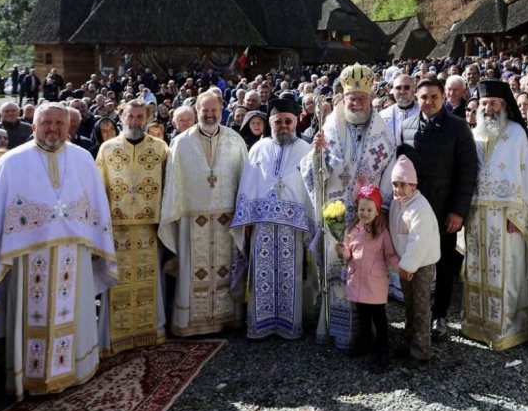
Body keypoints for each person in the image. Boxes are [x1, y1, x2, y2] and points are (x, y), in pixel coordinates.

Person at [0, 102, 118, 397]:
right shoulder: (12, 162)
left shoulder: (83, 159)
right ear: (34, 125)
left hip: (75, 255)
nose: (53, 128)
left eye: (60, 123)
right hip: (28, 259)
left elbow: (97, 205)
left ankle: (77, 369)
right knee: (33, 318)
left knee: (75, 311)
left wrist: (99, 242)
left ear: (70, 127)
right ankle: (30, 378)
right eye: (47, 123)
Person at [303, 63, 397, 349]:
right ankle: (337, 332)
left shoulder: (384, 135)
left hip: (366, 218)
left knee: (365, 273)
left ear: (371, 100)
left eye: (362, 98)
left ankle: (365, 335)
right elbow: (313, 173)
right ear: (343, 98)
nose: (356, 103)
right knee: (337, 274)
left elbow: (389, 175)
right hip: (337, 215)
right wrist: (316, 155)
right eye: (351, 98)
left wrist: (379, 212)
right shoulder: (329, 128)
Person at [159, 91, 247, 336]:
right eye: (204, 110)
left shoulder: (235, 140)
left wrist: (244, 214)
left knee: (226, 266)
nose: (209, 115)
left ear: (222, 110)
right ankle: (190, 322)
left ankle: (227, 317)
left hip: (226, 219)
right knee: (191, 269)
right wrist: (174, 214)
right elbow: (174, 183)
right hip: (191, 218)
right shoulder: (181, 142)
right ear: (197, 110)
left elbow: (244, 179)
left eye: (214, 110)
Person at [398, 78, 478, 341]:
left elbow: (467, 171)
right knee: (414, 261)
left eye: (434, 96)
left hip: (444, 211)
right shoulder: (407, 127)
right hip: (413, 211)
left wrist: (458, 211)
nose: (428, 102)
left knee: (443, 265)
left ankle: (439, 316)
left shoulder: (458, 127)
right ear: (416, 98)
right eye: (423, 97)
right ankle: (416, 315)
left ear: (443, 97)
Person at [461, 81, 528, 351]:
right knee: (477, 269)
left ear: (505, 106)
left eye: (493, 103)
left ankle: (508, 328)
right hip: (476, 216)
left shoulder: (517, 133)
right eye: (483, 104)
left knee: (507, 270)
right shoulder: (474, 134)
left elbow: (527, 177)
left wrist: (521, 215)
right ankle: (477, 323)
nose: (488, 108)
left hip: (508, 218)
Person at [231, 97, 315, 340]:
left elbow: (311, 188)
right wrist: (245, 220)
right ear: (270, 123)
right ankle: (262, 324)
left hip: (293, 228)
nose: (283, 126)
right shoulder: (259, 148)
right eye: (278, 122)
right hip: (263, 226)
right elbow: (248, 183)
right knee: (262, 274)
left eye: (288, 121)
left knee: (292, 275)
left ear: (297, 121)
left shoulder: (306, 150)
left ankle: (290, 325)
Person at [95, 99, 169, 354]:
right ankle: (113, 338)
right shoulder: (107, 148)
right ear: (121, 116)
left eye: (139, 117)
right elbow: (98, 189)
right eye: (130, 116)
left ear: (147, 119)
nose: (134, 121)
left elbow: (170, 188)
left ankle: (150, 332)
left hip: (150, 229)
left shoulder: (160, 149)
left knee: (151, 280)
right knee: (116, 282)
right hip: (116, 229)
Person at [338, 184, 400, 372]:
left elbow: (389, 254)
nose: (364, 213)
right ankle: (364, 343)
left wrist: (401, 267)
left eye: (369, 210)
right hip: (358, 281)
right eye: (361, 209)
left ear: (377, 211)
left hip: (375, 283)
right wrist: (343, 252)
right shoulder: (352, 230)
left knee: (379, 318)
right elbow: (350, 255)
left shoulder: (382, 232)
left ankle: (383, 351)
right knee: (363, 316)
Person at [388, 155, 441, 366]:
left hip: (421, 264)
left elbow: (419, 239)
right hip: (405, 265)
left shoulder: (420, 207)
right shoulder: (396, 204)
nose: (398, 189)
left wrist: (408, 265)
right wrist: (401, 265)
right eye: (395, 185)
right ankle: (410, 340)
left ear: (413, 185)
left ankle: (421, 351)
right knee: (408, 305)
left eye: (403, 185)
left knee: (421, 307)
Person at [379, 74, 421, 145]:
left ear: (413, 89)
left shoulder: (424, 111)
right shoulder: (383, 115)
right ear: (393, 90)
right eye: (398, 88)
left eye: (406, 87)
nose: (402, 91)